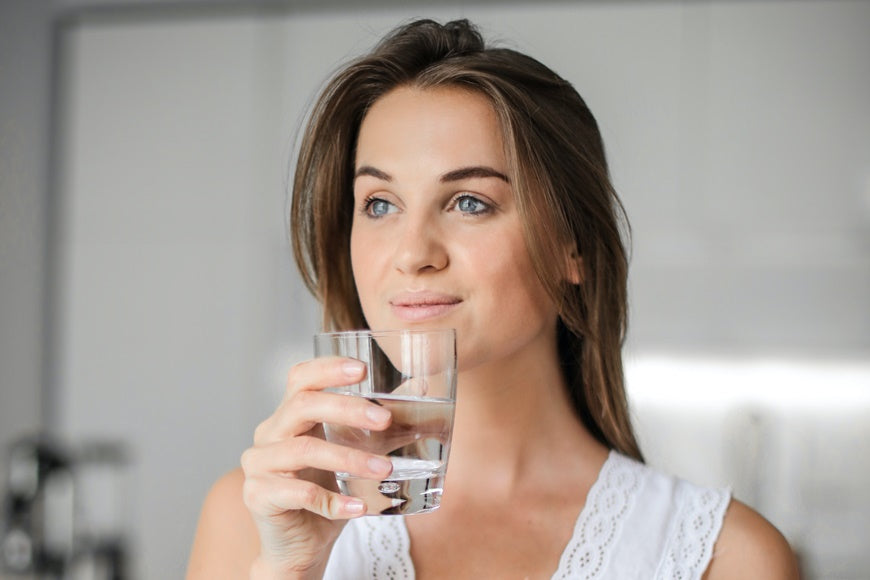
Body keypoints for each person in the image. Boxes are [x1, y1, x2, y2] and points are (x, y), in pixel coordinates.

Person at [187, 18, 799, 579]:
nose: (412, 251)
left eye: (469, 202)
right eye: (379, 204)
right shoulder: (255, 520)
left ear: (573, 247)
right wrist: (288, 569)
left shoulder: (726, 558)